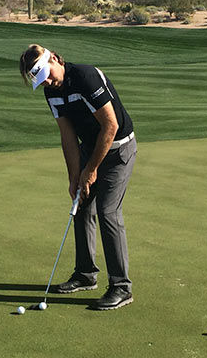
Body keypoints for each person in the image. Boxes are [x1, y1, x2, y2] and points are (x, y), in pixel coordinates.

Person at [19, 44, 137, 310]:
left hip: (118, 149)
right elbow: (68, 136)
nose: (47, 81)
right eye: (41, 80)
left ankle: (121, 287)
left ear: (55, 59)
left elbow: (111, 126)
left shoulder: (85, 77)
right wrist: (74, 178)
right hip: (90, 149)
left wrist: (91, 170)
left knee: (108, 212)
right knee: (80, 205)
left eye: (47, 74)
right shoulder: (51, 93)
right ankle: (85, 274)